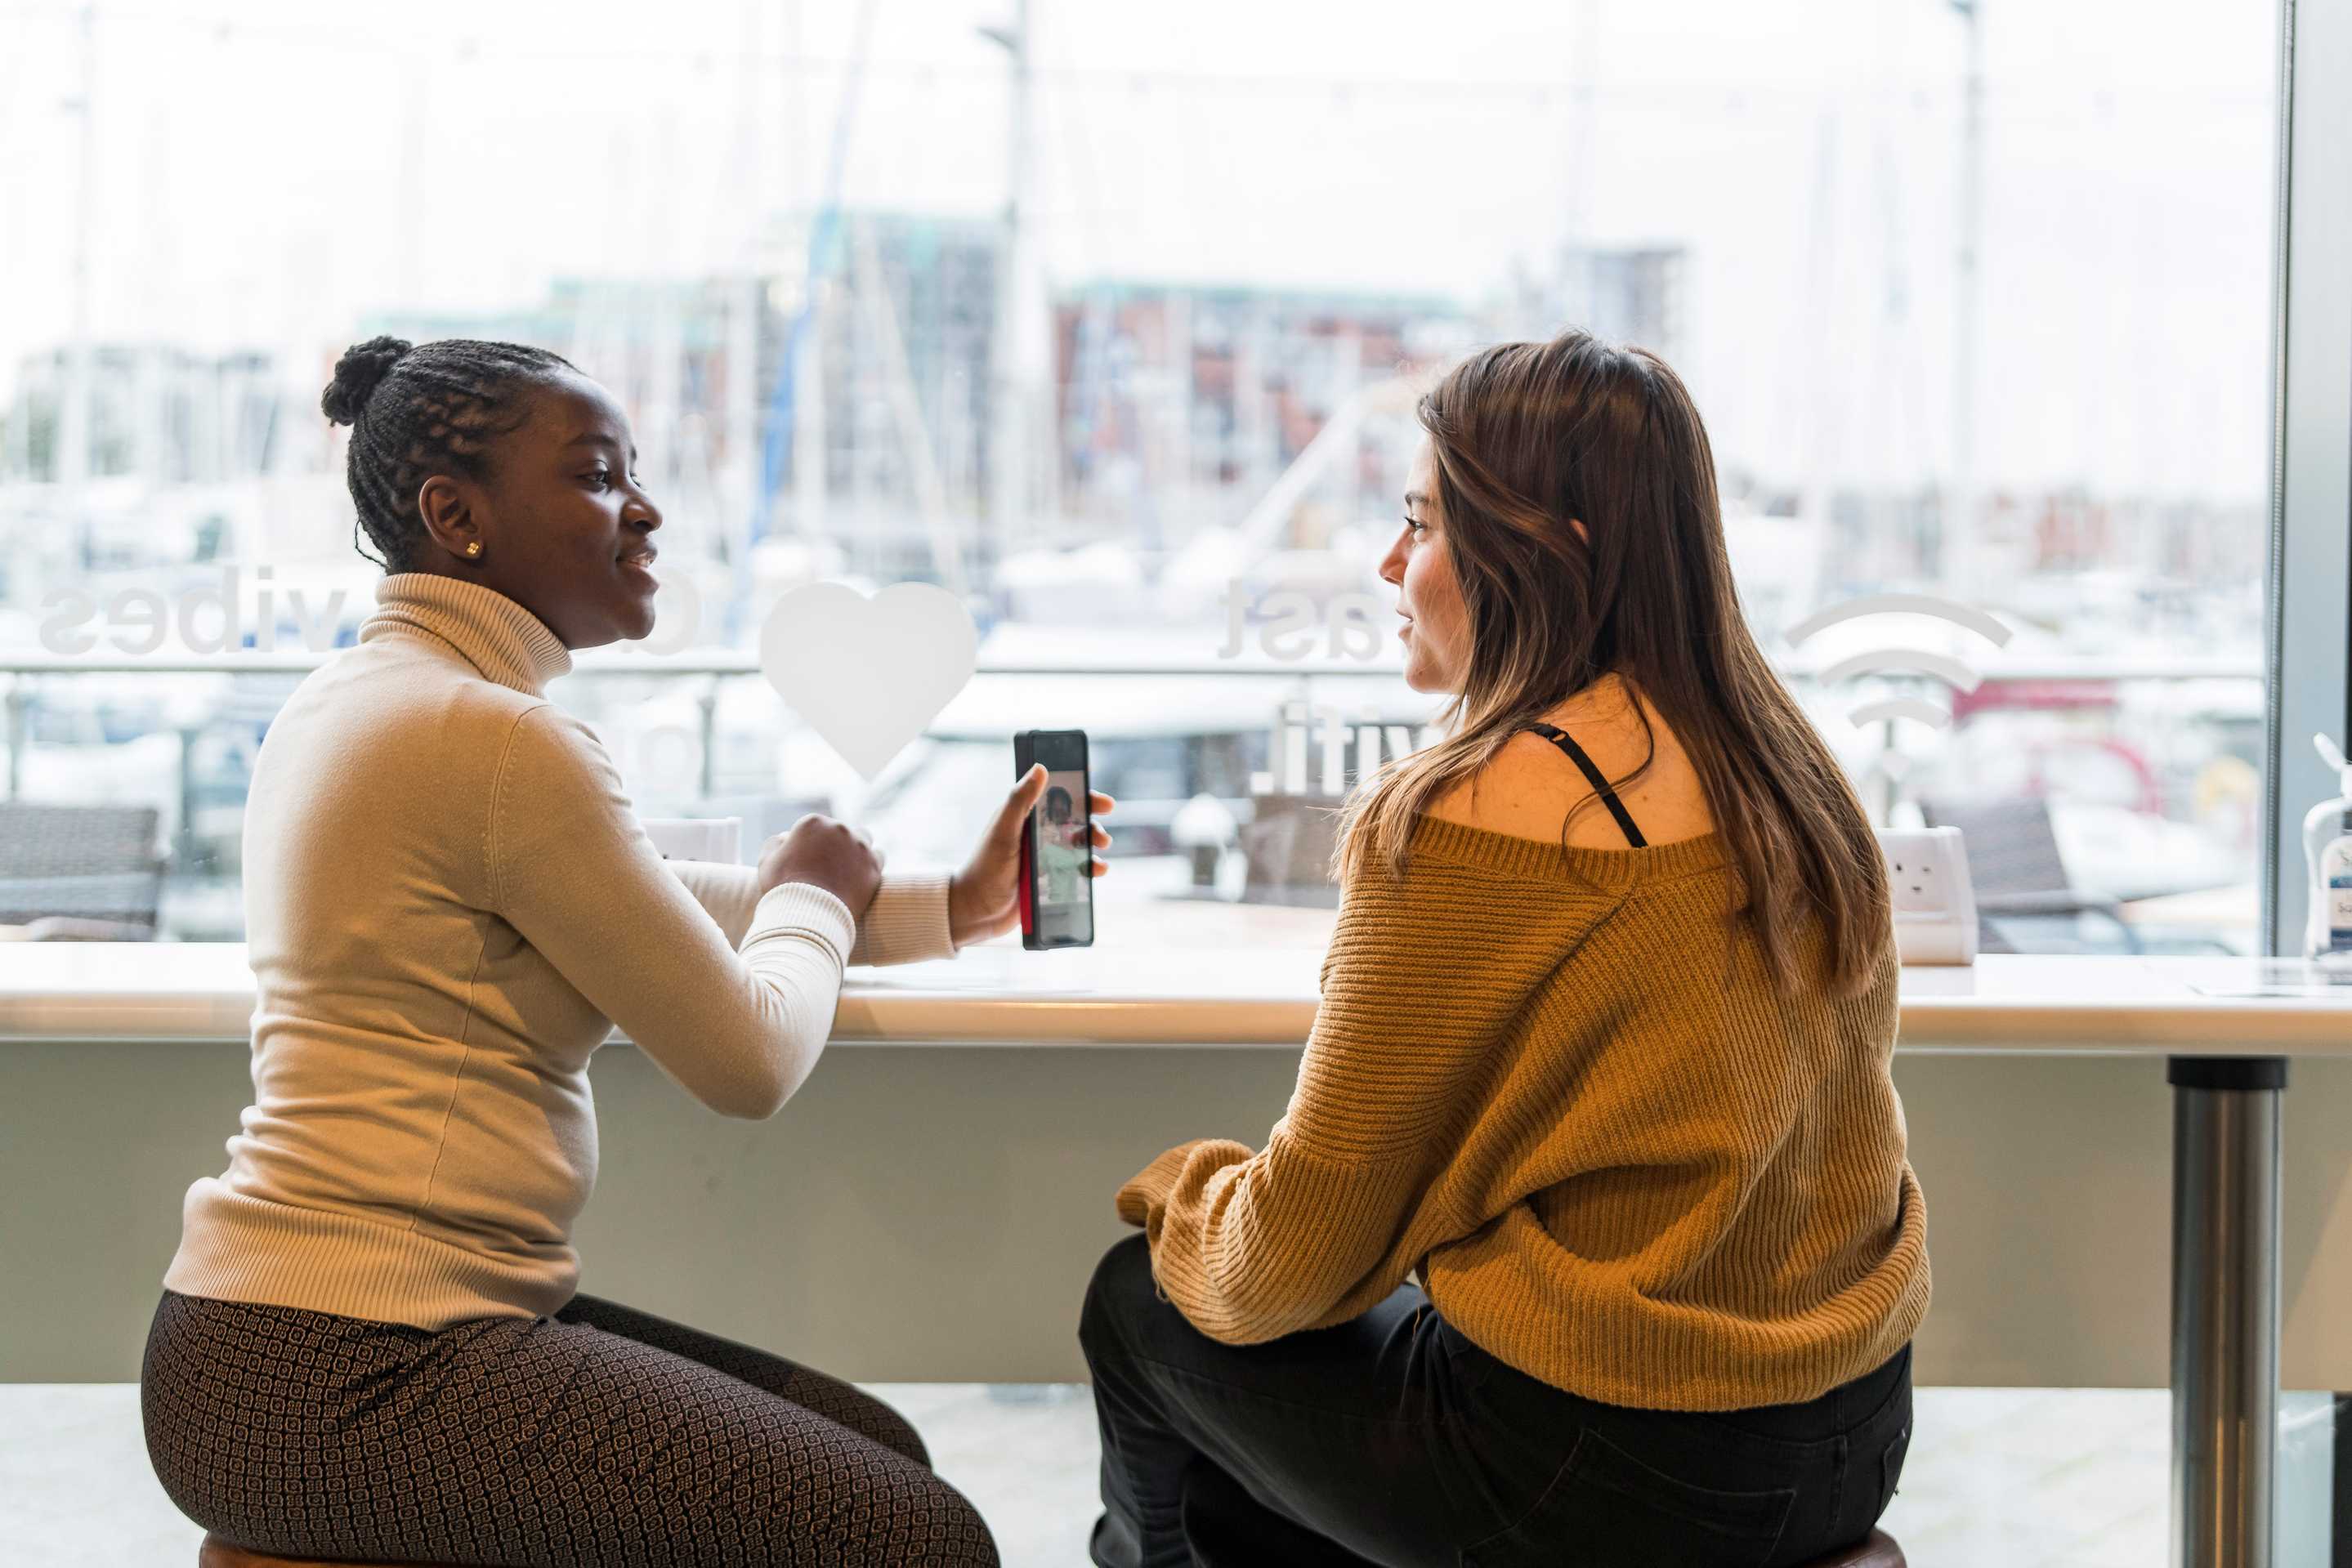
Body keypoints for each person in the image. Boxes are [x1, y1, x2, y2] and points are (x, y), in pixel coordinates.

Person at [140, 336, 1114, 1567]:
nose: (646, 508)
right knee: (914, 1537)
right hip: (345, 1365)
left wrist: (952, 904)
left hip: (284, 1345)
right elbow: (748, 1058)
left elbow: (643, 901)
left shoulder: (369, 695)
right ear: (458, 515)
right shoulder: (490, 737)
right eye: (599, 474)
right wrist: (811, 896)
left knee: (875, 1448)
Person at [1080, 330, 1925, 1568]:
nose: (1388, 561)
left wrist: (1180, 1193)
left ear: (1545, 550)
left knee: (1138, 1303)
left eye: (1419, 523)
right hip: (1853, 1428)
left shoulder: (1464, 811)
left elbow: (1292, 1258)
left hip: (1615, 1472)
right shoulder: (1788, 769)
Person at [1038, 785, 1093, 905]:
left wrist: (1073, 843)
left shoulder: (1079, 835)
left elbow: (1086, 870)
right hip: (1054, 903)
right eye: (1056, 811)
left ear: (1069, 810)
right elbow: (1038, 872)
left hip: (1080, 903)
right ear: (1050, 812)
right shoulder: (1045, 841)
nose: (1060, 816)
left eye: (1063, 810)